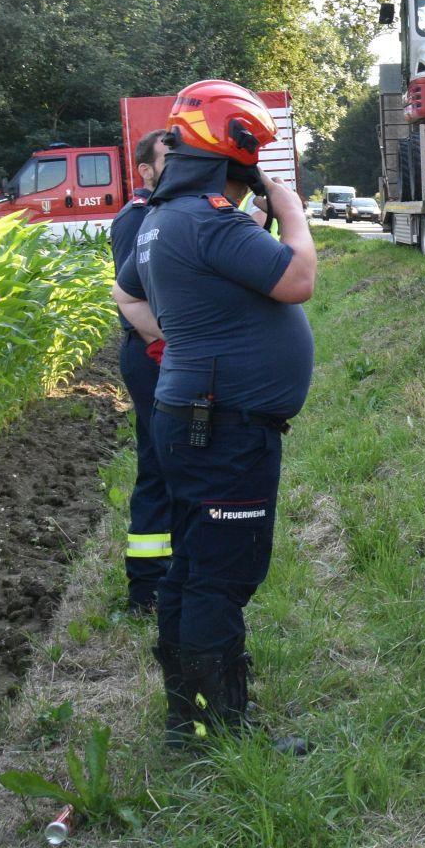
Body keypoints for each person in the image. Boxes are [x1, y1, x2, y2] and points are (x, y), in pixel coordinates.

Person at [113, 79, 317, 745]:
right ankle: (219, 728)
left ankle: (189, 719)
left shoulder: (160, 219)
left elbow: (127, 290)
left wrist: (170, 336)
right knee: (220, 575)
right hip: (225, 424)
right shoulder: (205, 218)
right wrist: (290, 211)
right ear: (236, 161)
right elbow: (298, 277)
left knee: (194, 567)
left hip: (199, 414)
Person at [110, 130, 173, 616]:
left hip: (168, 350)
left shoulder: (169, 212)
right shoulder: (138, 220)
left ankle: (172, 572)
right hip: (151, 349)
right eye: (169, 159)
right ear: (145, 171)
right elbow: (139, 296)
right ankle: (146, 589)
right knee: (157, 463)